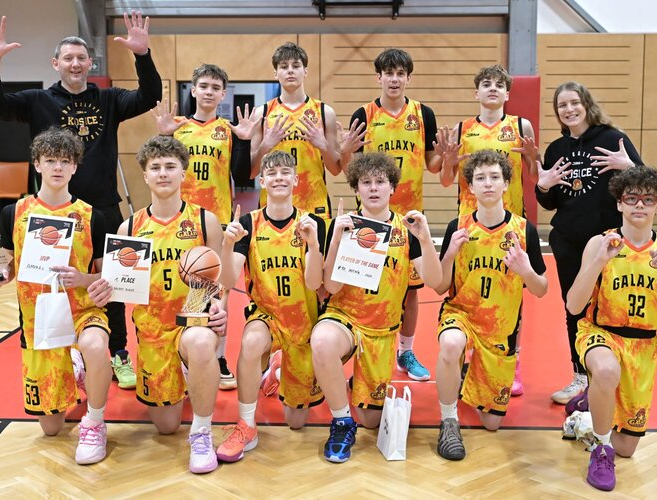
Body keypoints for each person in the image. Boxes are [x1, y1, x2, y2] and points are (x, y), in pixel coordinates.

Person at [0, 11, 163, 390]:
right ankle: (62, 351)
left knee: (112, 284)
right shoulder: (38, 100)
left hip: (104, 208)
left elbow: (151, 95)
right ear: (56, 64)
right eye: (68, 58)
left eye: (81, 58)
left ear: (90, 63)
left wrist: (142, 55)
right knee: (48, 282)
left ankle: (117, 352)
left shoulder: (108, 99)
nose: (75, 63)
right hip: (53, 213)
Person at [87, 136, 227, 474]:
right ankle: (188, 374)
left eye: (170, 167)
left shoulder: (204, 220)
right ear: (145, 176)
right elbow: (119, 288)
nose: (163, 173)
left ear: (183, 173)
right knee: (166, 425)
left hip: (191, 316)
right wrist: (102, 291)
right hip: (151, 328)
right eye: (156, 168)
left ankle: (202, 432)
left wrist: (217, 308)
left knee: (200, 341)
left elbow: (217, 280)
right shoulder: (129, 227)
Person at [0, 128, 112, 465]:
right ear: (37, 164)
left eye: (65, 161)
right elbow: (5, 264)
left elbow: (108, 277)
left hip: (82, 312)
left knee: (95, 345)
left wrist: (83, 278)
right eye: (51, 160)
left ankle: (95, 422)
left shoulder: (92, 217)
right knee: (51, 428)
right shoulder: (13, 213)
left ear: (75, 167)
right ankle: (75, 367)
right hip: (38, 322)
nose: (58, 167)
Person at [565, 165, 657, 491]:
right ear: (619, 203)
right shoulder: (600, 243)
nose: (639, 205)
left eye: (648, 199)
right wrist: (599, 262)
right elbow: (574, 306)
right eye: (631, 198)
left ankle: (587, 411)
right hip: (600, 333)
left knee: (627, 447)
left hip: (643, 346)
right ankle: (600, 450)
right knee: (606, 371)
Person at [311, 152, 442, 463]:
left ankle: (354, 383)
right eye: (365, 182)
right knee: (322, 340)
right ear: (356, 189)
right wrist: (336, 241)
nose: (373, 188)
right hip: (345, 318)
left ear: (392, 187)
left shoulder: (407, 230)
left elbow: (436, 282)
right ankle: (342, 422)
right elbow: (331, 288)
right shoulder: (344, 225)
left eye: (380, 182)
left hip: (382, 331)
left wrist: (425, 239)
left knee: (371, 420)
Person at [433, 150, 547, 461]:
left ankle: (470, 373)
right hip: (461, 315)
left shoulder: (524, 231)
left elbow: (541, 289)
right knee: (451, 343)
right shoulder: (458, 227)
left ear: (506, 183)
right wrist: (449, 254)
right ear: (470, 186)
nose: (487, 184)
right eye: (480, 178)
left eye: (495, 177)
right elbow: (440, 286)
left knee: (492, 423)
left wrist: (526, 271)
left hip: (499, 330)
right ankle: (448, 420)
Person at [152, 63, 259, 390]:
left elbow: (241, 176)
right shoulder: (178, 127)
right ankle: (185, 354)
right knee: (183, 289)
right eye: (204, 86)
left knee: (217, 293)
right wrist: (163, 135)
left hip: (218, 221)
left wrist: (244, 141)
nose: (209, 92)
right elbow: (160, 168)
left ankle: (218, 355)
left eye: (215, 87)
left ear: (223, 94)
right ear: (194, 90)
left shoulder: (228, 130)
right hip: (182, 220)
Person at [338, 48, 443, 382]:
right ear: (378, 77)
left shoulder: (424, 114)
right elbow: (350, 171)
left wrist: (447, 156)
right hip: (370, 217)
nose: (394, 79)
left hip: (410, 218)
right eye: (388, 73)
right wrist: (344, 150)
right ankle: (361, 352)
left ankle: (405, 351)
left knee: (410, 290)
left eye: (400, 73)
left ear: (408, 78)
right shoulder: (364, 114)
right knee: (363, 286)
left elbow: (432, 165)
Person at [536, 81, 642, 405]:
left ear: (586, 104)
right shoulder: (556, 149)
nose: (569, 109)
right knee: (574, 307)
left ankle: (612, 375)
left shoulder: (612, 139)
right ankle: (580, 376)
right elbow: (550, 202)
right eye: (562, 105)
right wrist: (543, 187)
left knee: (610, 306)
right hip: (568, 240)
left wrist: (629, 167)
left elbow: (644, 183)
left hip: (608, 243)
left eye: (574, 103)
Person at [216, 150, 325, 463]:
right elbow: (227, 279)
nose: (279, 178)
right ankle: (246, 424)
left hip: (303, 321)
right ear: (262, 181)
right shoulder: (248, 224)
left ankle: (276, 367)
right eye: (272, 173)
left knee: (296, 421)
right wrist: (227, 243)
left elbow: (314, 283)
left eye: (285, 172)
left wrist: (314, 243)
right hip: (266, 315)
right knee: (250, 342)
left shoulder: (313, 223)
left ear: (296, 180)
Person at [437, 64, 539, 396]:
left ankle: (514, 359)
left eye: (498, 84)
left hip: (510, 225)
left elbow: (534, 177)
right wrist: (448, 161)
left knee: (510, 295)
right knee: (466, 292)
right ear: (476, 92)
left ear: (507, 93)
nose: (492, 88)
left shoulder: (521, 126)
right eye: (486, 84)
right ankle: (467, 354)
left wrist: (535, 159)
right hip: (470, 225)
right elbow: (446, 180)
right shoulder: (463, 129)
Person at [249, 41, 341, 219]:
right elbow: (252, 172)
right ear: (276, 73)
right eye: (284, 67)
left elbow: (336, 170)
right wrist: (266, 146)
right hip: (273, 208)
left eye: (296, 66)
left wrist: (322, 145)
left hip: (314, 204)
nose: (290, 71)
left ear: (305, 71)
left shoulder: (324, 112)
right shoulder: (262, 113)